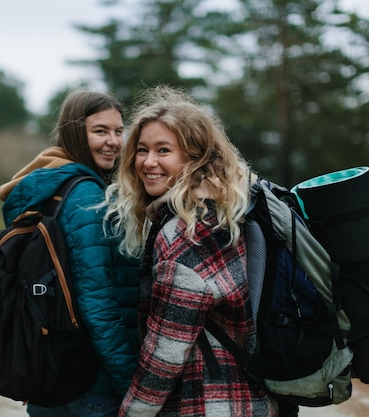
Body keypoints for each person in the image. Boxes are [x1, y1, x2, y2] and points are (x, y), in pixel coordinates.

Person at [103, 86, 279, 416]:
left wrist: (132, 413)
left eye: (163, 150)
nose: (148, 162)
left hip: (205, 405)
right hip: (245, 400)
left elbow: (165, 352)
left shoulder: (185, 232)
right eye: (142, 150)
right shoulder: (224, 212)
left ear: (193, 157)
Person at [0, 90, 140, 417]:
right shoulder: (85, 196)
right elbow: (98, 300)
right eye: (100, 131)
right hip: (90, 382)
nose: (114, 142)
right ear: (76, 132)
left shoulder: (50, 186)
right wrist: (128, 382)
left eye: (119, 131)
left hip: (50, 367)